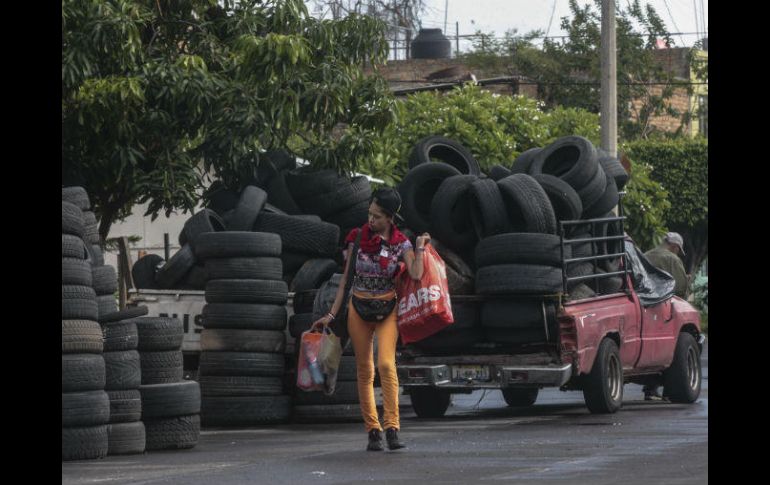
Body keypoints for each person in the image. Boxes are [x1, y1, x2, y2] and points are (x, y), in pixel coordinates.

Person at [311, 188, 430, 451]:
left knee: (386, 365)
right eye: (369, 214)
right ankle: (373, 430)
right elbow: (345, 281)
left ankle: (393, 428)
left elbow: (417, 274)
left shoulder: (402, 243)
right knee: (365, 370)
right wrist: (330, 315)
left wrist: (420, 248)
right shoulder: (357, 238)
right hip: (358, 308)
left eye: (377, 216)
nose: (371, 220)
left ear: (390, 218)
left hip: (388, 309)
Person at [641, 231, 690, 401]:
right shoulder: (672, 259)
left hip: (642, 309)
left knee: (651, 349)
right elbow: (680, 288)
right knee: (674, 349)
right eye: (678, 250)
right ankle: (669, 390)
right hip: (664, 309)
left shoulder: (645, 256)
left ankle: (651, 388)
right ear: (675, 246)